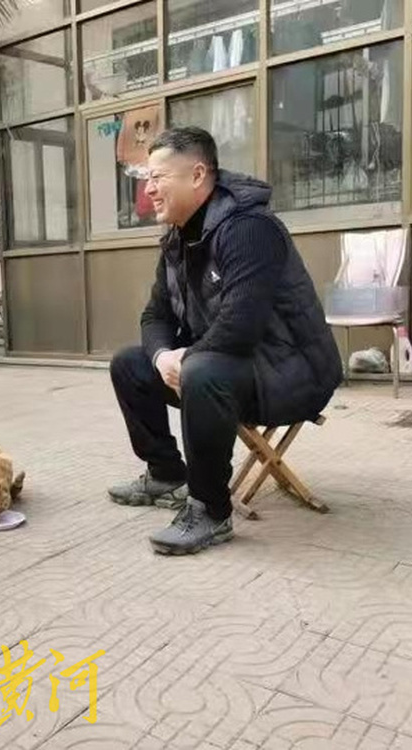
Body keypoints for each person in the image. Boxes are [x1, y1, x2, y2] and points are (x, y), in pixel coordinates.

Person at [107, 127, 341, 555]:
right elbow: (155, 315)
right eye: (147, 179)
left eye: (158, 177)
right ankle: (166, 474)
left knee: (201, 371)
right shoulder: (178, 238)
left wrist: (187, 359)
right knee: (130, 364)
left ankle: (211, 511)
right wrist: (162, 357)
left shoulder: (251, 229)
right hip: (232, 365)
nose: (149, 190)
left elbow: (241, 324)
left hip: (291, 372)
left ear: (197, 175)